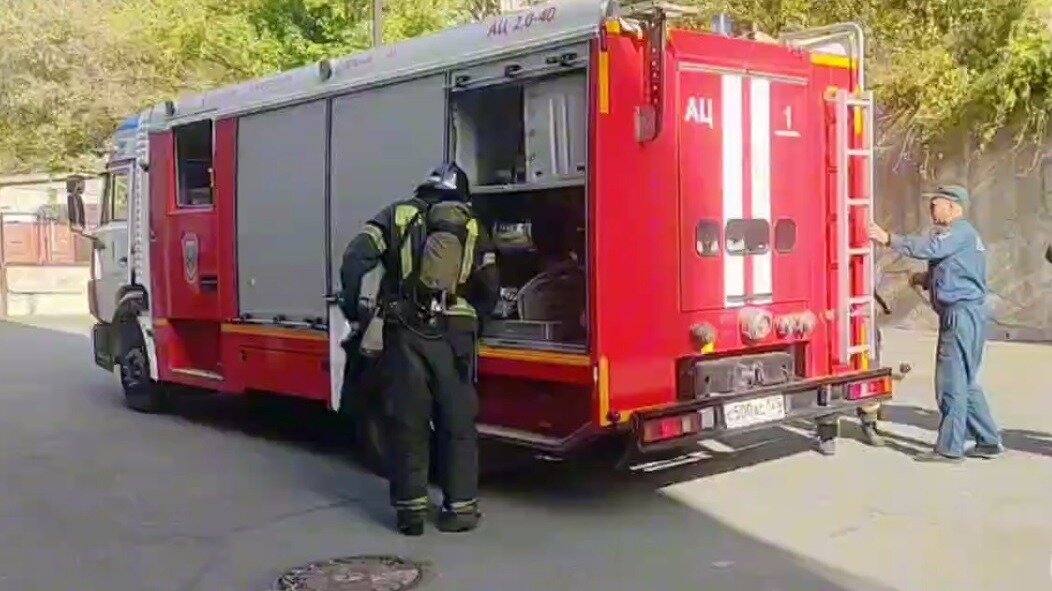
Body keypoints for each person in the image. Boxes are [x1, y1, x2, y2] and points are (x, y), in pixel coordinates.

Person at [338, 162, 499, 535]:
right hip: (456, 335)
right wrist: (478, 321)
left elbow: (354, 260)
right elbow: (489, 284)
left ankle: (410, 514)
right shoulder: (473, 225)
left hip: (405, 330)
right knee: (457, 424)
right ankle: (460, 509)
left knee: (408, 423)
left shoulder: (396, 215)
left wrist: (353, 309)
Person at [869, 184, 1004, 463]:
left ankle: (950, 448)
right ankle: (988, 440)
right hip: (968, 313)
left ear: (954, 207)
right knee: (966, 381)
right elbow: (957, 271)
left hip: (961, 314)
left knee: (951, 381)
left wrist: (887, 238)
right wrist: (925, 280)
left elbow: (927, 248)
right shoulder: (961, 237)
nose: (931, 208)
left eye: (936, 204)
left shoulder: (958, 233)